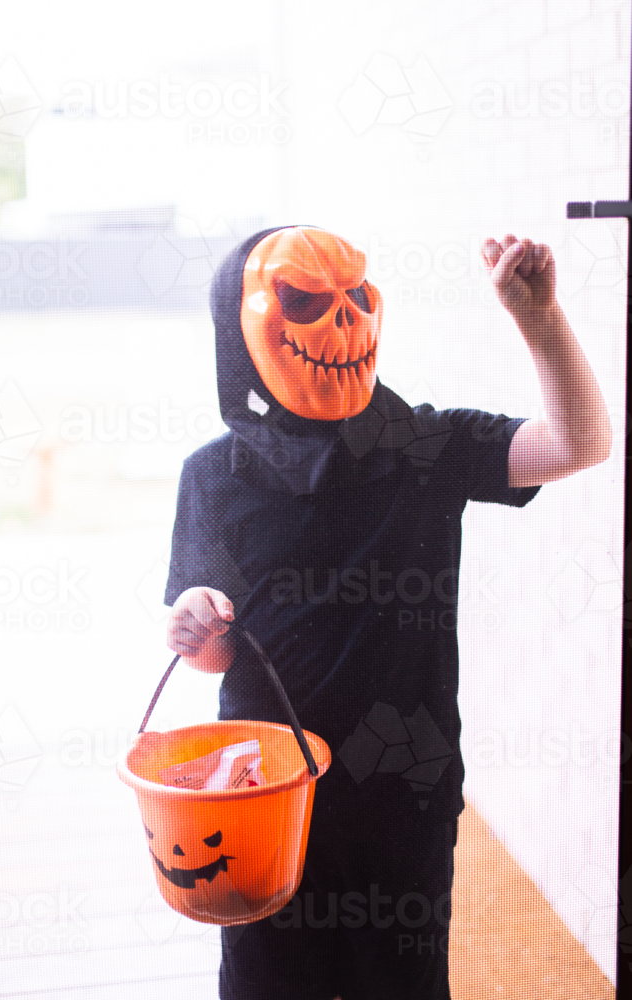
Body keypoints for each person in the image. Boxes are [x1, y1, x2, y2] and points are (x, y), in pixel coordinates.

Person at [164, 226, 611, 1000]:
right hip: (268, 795)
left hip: (403, 781)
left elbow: (581, 442)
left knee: (399, 981)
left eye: (355, 297)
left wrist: (539, 321)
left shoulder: (423, 445)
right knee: (269, 981)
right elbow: (210, 653)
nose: (341, 320)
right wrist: (193, 623)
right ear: (240, 329)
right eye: (304, 301)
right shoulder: (214, 474)